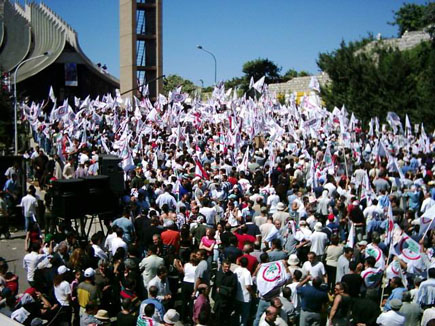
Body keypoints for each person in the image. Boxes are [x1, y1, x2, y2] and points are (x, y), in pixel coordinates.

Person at [234, 257, 254, 326]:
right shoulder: (247, 273)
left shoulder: (236, 270)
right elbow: (248, 286)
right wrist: (253, 294)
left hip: (237, 296)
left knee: (237, 313)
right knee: (244, 316)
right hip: (245, 298)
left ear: (240, 263)